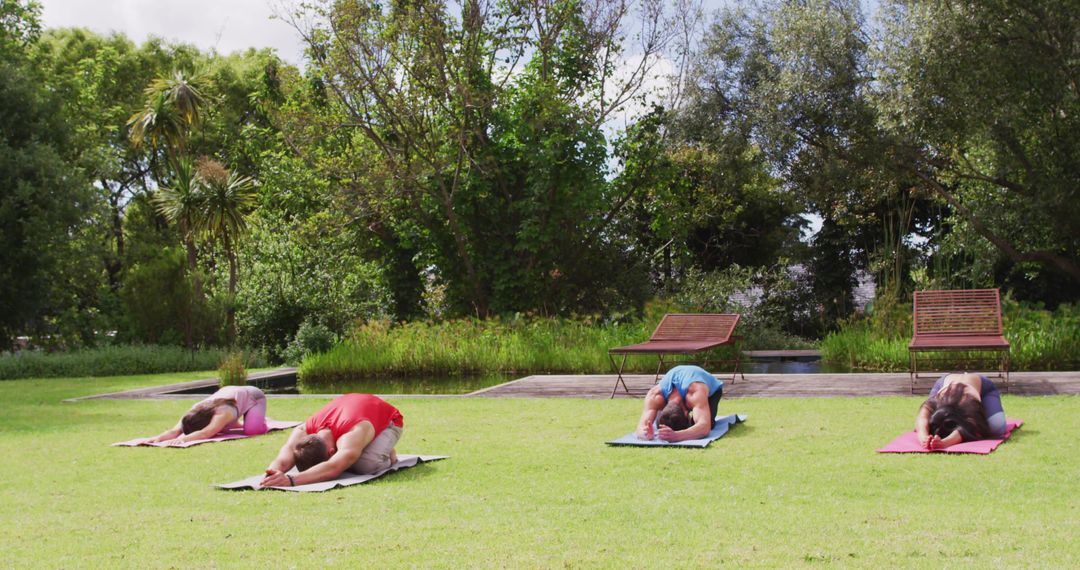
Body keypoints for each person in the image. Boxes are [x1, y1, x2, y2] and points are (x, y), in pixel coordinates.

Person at [260, 393, 403, 488]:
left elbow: (333, 468)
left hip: (390, 420)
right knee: (351, 459)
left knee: (366, 466)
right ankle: (368, 444)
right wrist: (271, 474)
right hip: (356, 409)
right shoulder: (303, 430)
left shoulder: (350, 435)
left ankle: (387, 451)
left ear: (331, 452)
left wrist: (290, 481)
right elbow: (284, 458)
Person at [147, 385, 268, 444]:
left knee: (252, 430)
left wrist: (182, 440)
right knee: (224, 428)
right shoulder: (193, 411)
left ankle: (262, 420)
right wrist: (156, 439)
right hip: (231, 393)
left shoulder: (223, 412)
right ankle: (243, 422)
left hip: (254, 396)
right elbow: (174, 431)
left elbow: (206, 433)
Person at [915, 372, 1007, 449]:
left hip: (983, 387)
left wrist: (945, 442)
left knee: (996, 426)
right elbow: (922, 417)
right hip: (943, 383)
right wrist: (924, 437)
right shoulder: (936, 400)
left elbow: (970, 426)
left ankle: (991, 406)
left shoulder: (969, 402)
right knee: (924, 424)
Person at [635, 365, 723, 442]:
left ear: (686, 413)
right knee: (662, 424)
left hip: (712, 390)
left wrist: (677, 436)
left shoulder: (695, 392)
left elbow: (704, 428)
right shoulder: (655, 396)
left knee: (705, 424)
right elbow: (640, 428)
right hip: (683, 384)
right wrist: (646, 434)